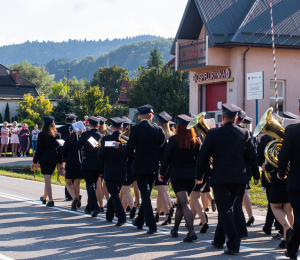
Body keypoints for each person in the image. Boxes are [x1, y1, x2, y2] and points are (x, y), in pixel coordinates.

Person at [196, 103, 260, 255]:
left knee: (225, 210)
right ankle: (218, 240)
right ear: (236, 117)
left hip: (220, 177)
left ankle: (233, 243)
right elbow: (252, 156)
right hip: (239, 178)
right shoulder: (244, 133)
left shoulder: (213, 133)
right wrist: (256, 176)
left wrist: (199, 176)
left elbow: (203, 157)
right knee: (227, 209)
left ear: (223, 117)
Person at [114, 104, 166, 234]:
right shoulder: (158, 130)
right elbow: (163, 150)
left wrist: (119, 146)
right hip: (153, 167)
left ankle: (151, 224)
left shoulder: (135, 129)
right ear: (150, 115)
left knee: (146, 195)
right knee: (146, 194)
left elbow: (128, 149)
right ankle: (139, 221)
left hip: (140, 167)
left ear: (140, 115)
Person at [159, 114, 200, 241]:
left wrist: (162, 172)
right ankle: (175, 229)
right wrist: (200, 174)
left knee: (184, 203)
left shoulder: (173, 140)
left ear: (178, 126)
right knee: (180, 204)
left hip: (177, 174)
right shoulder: (196, 141)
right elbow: (199, 160)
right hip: (191, 175)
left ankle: (191, 232)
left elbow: (167, 157)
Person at [97, 117, 132, 226]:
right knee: (114, 192)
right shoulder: (126, 139)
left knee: (114, 193)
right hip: (122, 169)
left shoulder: (106, 139)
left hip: (110, 170)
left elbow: (101, 156)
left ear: (111, 128)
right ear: (122, 128)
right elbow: (131, 156)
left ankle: (121, 216)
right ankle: (109, 215)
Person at [278, 103, 300, 259]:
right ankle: (291, 250)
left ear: (299, 111)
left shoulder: (292, 131)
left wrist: (281, 172)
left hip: (297, 182)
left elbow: (284, 155)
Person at [74, 116, 103, 217]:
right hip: (98, 164)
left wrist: (78, 136)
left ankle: (95, 207)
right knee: (93, 186)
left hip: (88, 162)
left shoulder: (85, 135)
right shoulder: (101, 136)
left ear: (89, 125)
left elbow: (77, 146)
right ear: (98, 125)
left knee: (90, 187)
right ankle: (89, 207)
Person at [31, 116, 62, 207]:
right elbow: (60, 150)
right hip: (53, 158)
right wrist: (60, 162)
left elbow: (39, 149)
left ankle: (51, 200)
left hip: (44, 158)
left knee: (47, 180)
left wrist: (34, 161)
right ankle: (44, 198)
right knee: (47, 180)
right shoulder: (57, 134)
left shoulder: (41, 135)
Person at [155, 111, 174, 225]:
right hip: (170, 166)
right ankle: (157, 213)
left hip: (160, 165)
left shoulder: (158, 134)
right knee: (162, 190)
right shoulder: (172, 134)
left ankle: (167, 213)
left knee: (161, 190)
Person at [61, 126, 83, 211]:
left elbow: (63, 151)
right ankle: (77, 201)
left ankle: (74, 199)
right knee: (77, 184)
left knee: (68, 183)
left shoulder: (68, 139)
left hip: (70, 163)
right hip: (79, 163)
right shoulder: (80, 139)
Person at [58, 114, 77, 201]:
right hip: (75, 155)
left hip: (65, 154)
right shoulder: (77, 129)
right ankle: (75, 195)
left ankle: (68, 195)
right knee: (74, 179)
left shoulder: (61, 129)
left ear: (66, 120)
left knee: (67, 177)